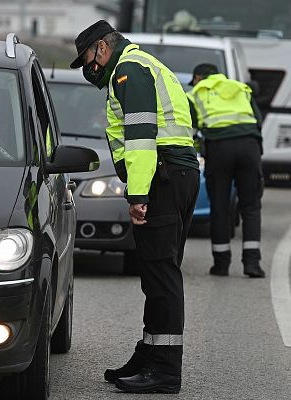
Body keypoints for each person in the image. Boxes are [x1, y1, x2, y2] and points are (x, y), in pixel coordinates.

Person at [70, 20, 199, 394]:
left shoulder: (129, 71)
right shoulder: (146, 65)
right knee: (158, 272)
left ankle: (164, 370)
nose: (89, 70)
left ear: (102, 49)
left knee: (160, 274)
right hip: (175, 174)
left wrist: (138, 195)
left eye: (88, 61)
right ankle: (149, 353)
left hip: (161, 177)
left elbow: (141, 139)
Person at [187, 63, 265, 278]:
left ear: (198, 77)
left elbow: (189, 132)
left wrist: (198, 151)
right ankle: (252, 264)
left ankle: (221, 265)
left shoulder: (196, 94)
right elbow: (257, 121)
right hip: (249, 147)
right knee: (250, 206)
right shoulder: (240, 88)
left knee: (220, 206)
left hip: (219, 149)